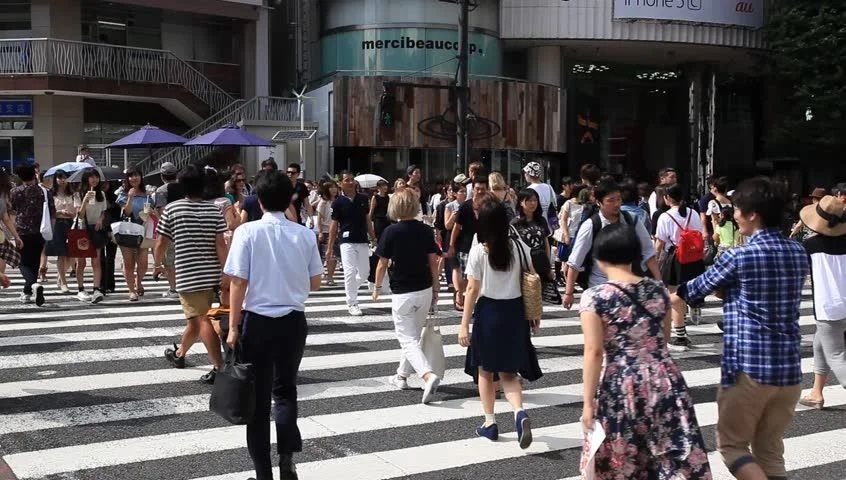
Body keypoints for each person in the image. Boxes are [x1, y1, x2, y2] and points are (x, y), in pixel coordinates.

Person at [673, 176, 809, 480]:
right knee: (770, 450)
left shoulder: (739, 255)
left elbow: (695, 289)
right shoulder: (797, 252)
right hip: (788, 370)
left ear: (752, 214)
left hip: (748, 368)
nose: (732, 215)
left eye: (736, 210)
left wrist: (667, 296)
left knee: (732, 446)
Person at [580, 223, 711, 479]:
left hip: (622, 382)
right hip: (664, 378)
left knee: (626, 458)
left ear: (599, 257)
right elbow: (663, 337)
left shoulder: (595, 297)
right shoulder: (658, 290)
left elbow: (594, 351)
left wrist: (587, 404)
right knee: (669, 454)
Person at [224, 169, 323, 480]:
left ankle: (263, 473)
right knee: (285, 391)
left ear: (260, 201)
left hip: (257, 321)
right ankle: (287, 459)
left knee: (257, 399)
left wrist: (232, 327)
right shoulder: (304, 234)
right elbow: (316, 282)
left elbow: (237, 282)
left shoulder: (247, 232)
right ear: (289, 199)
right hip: (293, 320)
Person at [458, 197, 535, 449]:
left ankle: (490, 423)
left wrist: (463, 324)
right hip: (515, 312)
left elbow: (472, 288)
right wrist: (534, 315)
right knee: (509, 373)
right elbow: (530, 279)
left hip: (489, 312)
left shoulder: (480, 249)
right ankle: (519, 412)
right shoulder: (520, 246)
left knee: (485, 370)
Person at [155, 164, 226, 384]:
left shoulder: (172, 209)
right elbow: (221, 244)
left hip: (188, 274)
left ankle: (219, 367)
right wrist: (226, 271)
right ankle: (179, 354)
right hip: (213, 272)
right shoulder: (214, 210)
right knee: (195, 319)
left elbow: (161, 242)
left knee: (202, 320)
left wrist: (157, 265)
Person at [372, 189, 442, 403]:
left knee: (407, 338)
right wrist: (437, 287)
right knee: (412, 336)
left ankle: (427, 375)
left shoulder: (391, 231)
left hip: (403, 291)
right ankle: (401, 376)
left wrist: (376, 287)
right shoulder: (424, 230)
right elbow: (433, 261)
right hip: (424, 289)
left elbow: (382, 263)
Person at [563, 180, 661, 309]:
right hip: (600, 287)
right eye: (610, 200)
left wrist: (659, 283)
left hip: (629, 286)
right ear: (599, 202)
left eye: (619, 199)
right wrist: (569, 293)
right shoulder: (591, 225)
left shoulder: (632, 220)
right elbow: (575, 261)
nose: (616, 204)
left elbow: (649, 253)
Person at [797, 195, 846, 409]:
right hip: (843, 303)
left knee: (836, 354)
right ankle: (816, 393)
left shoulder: (810, 245)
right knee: (820, 344)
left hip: (829, 306)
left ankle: (817, 393)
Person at [654, 183, 705, 349]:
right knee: (691, 287)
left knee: (675, 294)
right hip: (694, 257)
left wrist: (653, 261)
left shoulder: (665, 216)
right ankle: (695, 303)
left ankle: (681, 335)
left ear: (668, 198)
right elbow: (698, 233)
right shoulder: (693, 213)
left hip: (676, 258)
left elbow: (660, 243)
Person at [326, 170, 375, 316]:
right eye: (347, 180)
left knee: (365, 273)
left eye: (352, 179)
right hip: (346, 241)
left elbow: (367, 219)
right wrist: (329, 247)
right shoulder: (338, 202)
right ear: (341, 184)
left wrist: (373, 236)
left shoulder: (363, 198)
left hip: (362, 239)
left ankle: (351, 288)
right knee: (349, 272)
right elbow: (334, 225)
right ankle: (352, 303)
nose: (351, 182)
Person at [10, 163, 54, 306]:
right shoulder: (45, 192)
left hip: (21, 230)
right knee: (34, 261)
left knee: (22, 262)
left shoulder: (15, 191)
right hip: (40, 230)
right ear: (34, 175)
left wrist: (13, 232)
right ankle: (28, 291)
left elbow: (11, 211)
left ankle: (32, 284)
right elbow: (52, 212)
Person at [448, 175, 489, 311]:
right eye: (477, 189)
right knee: (467, 277)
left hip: (485, 246)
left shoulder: (490, 206)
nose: (480, 192)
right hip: (466, 246)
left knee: (482, 277)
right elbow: (457, 227)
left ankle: (475, 303)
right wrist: (452, 245)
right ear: (473, 189)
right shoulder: (465, 206)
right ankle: (464, 298)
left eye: (483, 189)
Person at [115, 167, 152, 301]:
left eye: (136, 175)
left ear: (141, 177)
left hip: (143, 229)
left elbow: (149, 212)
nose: (134, 178)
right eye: (131, 176)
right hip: (127, 230)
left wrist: (150, 212)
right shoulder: (123, 194)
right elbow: (127, 212)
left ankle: (138, 281)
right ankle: (131, 290)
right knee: (129, 262)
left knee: (144, 263)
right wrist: (130, 197)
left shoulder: (147, 194)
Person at [74, 168, 108, 303]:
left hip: (96, 229)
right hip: (82, 229)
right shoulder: (78, 194)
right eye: (91, 177)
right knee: (81, 261)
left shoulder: (101, 194)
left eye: (96, 177)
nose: (94, 180)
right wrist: (85, 200)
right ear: (86, 179)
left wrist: (101, 218)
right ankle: (81, 289)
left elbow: (103, 211)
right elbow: (79, 215)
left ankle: (96, 289)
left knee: (96, 260)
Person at [45, 170, 77, 296]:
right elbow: (47, 211)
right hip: (57, 224)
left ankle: (60, 275)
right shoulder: (50, 194)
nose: (62, 180)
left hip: (71, 223)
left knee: (71, 254)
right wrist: (59, 213)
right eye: (59, 178)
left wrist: (70, 214)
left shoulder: (73, 194)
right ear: (55, 179)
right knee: (61, 254)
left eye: (64, 178)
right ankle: (63, 282)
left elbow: (77, 210)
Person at [153, 162, 181, 298]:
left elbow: (161, 210)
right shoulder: (185, 187)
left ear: (162, 176)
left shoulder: (161, 190)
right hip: (185, 227)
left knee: (169, 261)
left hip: (169, 229)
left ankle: (174, 289)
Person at [316, 181, 339, 286]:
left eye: (335, 187)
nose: (334, 189)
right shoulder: (323, 203)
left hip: (337, 231)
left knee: (335, 256)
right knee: (328, 255)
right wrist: (320, 232)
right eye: (331, 187)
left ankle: (330, 275)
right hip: (326, 231)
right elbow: (320, 219)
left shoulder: (338, 201)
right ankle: (329, 276)